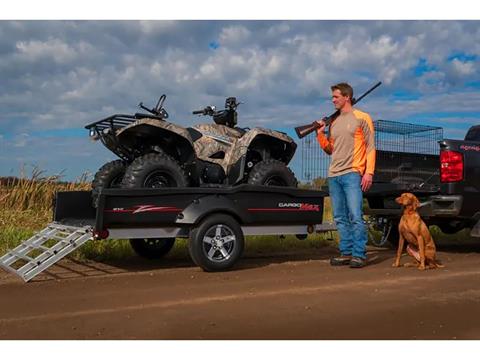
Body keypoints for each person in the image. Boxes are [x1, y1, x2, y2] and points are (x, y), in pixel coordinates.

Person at [316, 82, 376, 268]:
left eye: (336, 96)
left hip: (352, 173)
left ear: (346, 97)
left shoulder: (362, 117)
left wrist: (369, 173)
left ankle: (359, 254)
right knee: (340, 217)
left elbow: (371, 147)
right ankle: (346, 252)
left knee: (355, 215)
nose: (332, 100)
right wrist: (320, 135)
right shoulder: (333, 122)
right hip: (334, 174)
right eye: (333, 97)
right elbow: (330, 149)